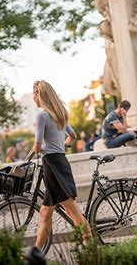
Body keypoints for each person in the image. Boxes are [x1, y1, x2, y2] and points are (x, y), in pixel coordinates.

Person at [30, 80, 90, 258]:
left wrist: (34, 149)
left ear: (38, 95)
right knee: (45, 211)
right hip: (59, 162)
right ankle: (35, 255)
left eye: (34, 95)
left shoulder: (42, 116)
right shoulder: (60, 114)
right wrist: (61, 145)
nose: (34, 99)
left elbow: (38, 146)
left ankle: (92, 248)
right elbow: (73, 136)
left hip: (51, 164)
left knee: (72, 211)